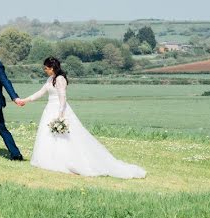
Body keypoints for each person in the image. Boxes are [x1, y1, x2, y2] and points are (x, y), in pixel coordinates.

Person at [18, 57, 146, 178]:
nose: (45, 70)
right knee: (49, 136)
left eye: (46, 68)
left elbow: (63, 97)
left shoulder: (60, 79)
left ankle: (69, 163)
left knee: (64, 138)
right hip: (49, 109)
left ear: (52, 67)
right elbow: (41, 92)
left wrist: (61, 114)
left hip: (58, 109)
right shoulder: (50, 79)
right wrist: (25, 100)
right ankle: (51, 160)